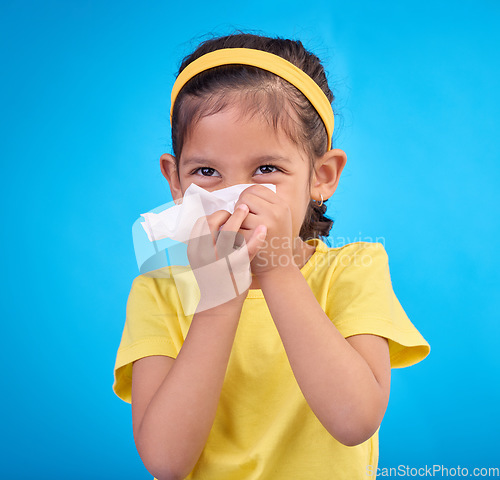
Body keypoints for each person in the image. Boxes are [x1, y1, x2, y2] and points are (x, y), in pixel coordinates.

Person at [112, 32, 430, 480]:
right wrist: (219, 299)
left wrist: (278, 270)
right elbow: (165, 462)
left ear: (321, 176)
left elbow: (355, 421)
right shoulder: (158, 294)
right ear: (176, 181)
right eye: (206, 172)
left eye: (266, 170)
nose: (235, 197)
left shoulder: (354, 271)